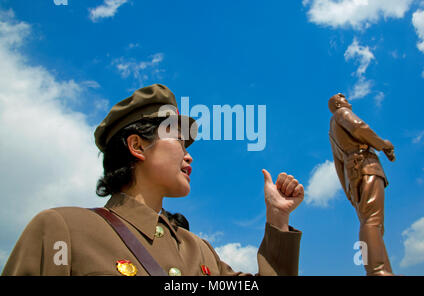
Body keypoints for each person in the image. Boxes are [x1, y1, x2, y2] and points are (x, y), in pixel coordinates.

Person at [2, 84, 304, 276]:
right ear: (137, 146)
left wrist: (278, 219)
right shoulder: (62, 230)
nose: (189, 156)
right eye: (177, 140)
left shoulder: (199, 251)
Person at [328, 93, 395, 276]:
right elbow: (359, 128)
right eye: (343, 98)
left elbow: (338, 164)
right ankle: (378, 270)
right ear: (337, 103)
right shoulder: (341, 113)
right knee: (373, 220)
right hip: (364, 163)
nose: (347, 101)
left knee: (371, 222)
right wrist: (383, 144)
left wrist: (348, 190)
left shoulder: (332, 131)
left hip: (353, 173)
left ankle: (382, 269)